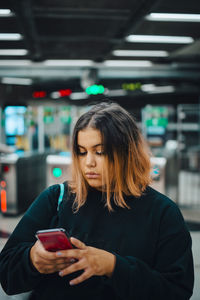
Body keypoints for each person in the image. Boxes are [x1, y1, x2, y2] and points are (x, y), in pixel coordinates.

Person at [0, 102, 194, 300]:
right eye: (82, 152)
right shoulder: (56, 199)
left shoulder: (163, 213)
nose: (89, 162)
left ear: (127, 152)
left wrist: (113, 267)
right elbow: (6, 272)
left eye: (100, 152)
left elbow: (177, 291)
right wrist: (32, 260)